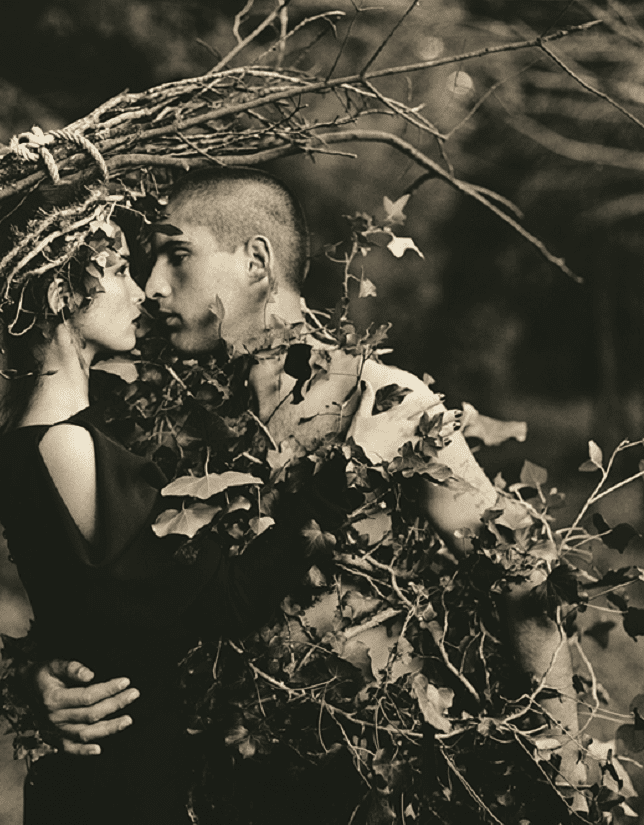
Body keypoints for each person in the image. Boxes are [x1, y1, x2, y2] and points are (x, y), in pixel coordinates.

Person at [40, 168, 581, 770]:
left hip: (378, 786)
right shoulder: (183, 434)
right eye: (148, 263)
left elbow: (521, 570)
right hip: (231, 809)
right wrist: (46, 677)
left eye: (177, 255)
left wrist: (565, 772)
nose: (153, 285)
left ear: (256, 262)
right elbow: (133, 603)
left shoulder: (382, 405)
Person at [0, 188, 364, 825]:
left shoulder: (101, 421)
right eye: (115, 268)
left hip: (125, 780)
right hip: (119, 793)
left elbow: (99, 608)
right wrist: (304, 526)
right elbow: (190, 608)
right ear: (58, 296)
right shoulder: (71, 445)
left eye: (154, 259)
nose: (140, 286)